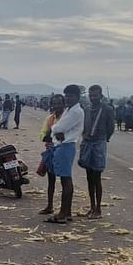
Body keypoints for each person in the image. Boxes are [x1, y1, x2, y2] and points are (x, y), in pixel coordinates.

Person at [46, 84, 85, 224]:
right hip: (63, 145)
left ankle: (63, 213)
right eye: (67, 95)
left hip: (66, 146)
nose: (68, 98)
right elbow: (56, 129)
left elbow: (58, 127)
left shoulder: (76, 112)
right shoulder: (69, 109)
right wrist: (56, 130)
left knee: (65, 179)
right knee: (65, 179)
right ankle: (67, 212)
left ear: (77, 97)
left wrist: (56, 130)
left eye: (71, 96)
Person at [79, 85, 114, 219]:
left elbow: (111, 127)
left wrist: (105, 139)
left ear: (100, 95)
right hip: (87, 142)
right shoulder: (87, 109)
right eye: (91, 95)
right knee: (89, 177)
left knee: (96, 177)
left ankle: (98, 209)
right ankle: (92, 206)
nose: (93, 98)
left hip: (99, 143)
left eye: (95, 95)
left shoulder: (107, 109)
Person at [38, 94, 66, 215]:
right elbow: (42, 134)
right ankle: (50, 205)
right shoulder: (49, 119)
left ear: (64, 104)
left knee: (65, 181)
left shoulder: (67, 118)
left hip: (64, 152)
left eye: (59, 103)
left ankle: (64, 209)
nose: (57, 105)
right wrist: (48, 136)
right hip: (51, 151)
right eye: (55, 103)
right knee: (51, 180)